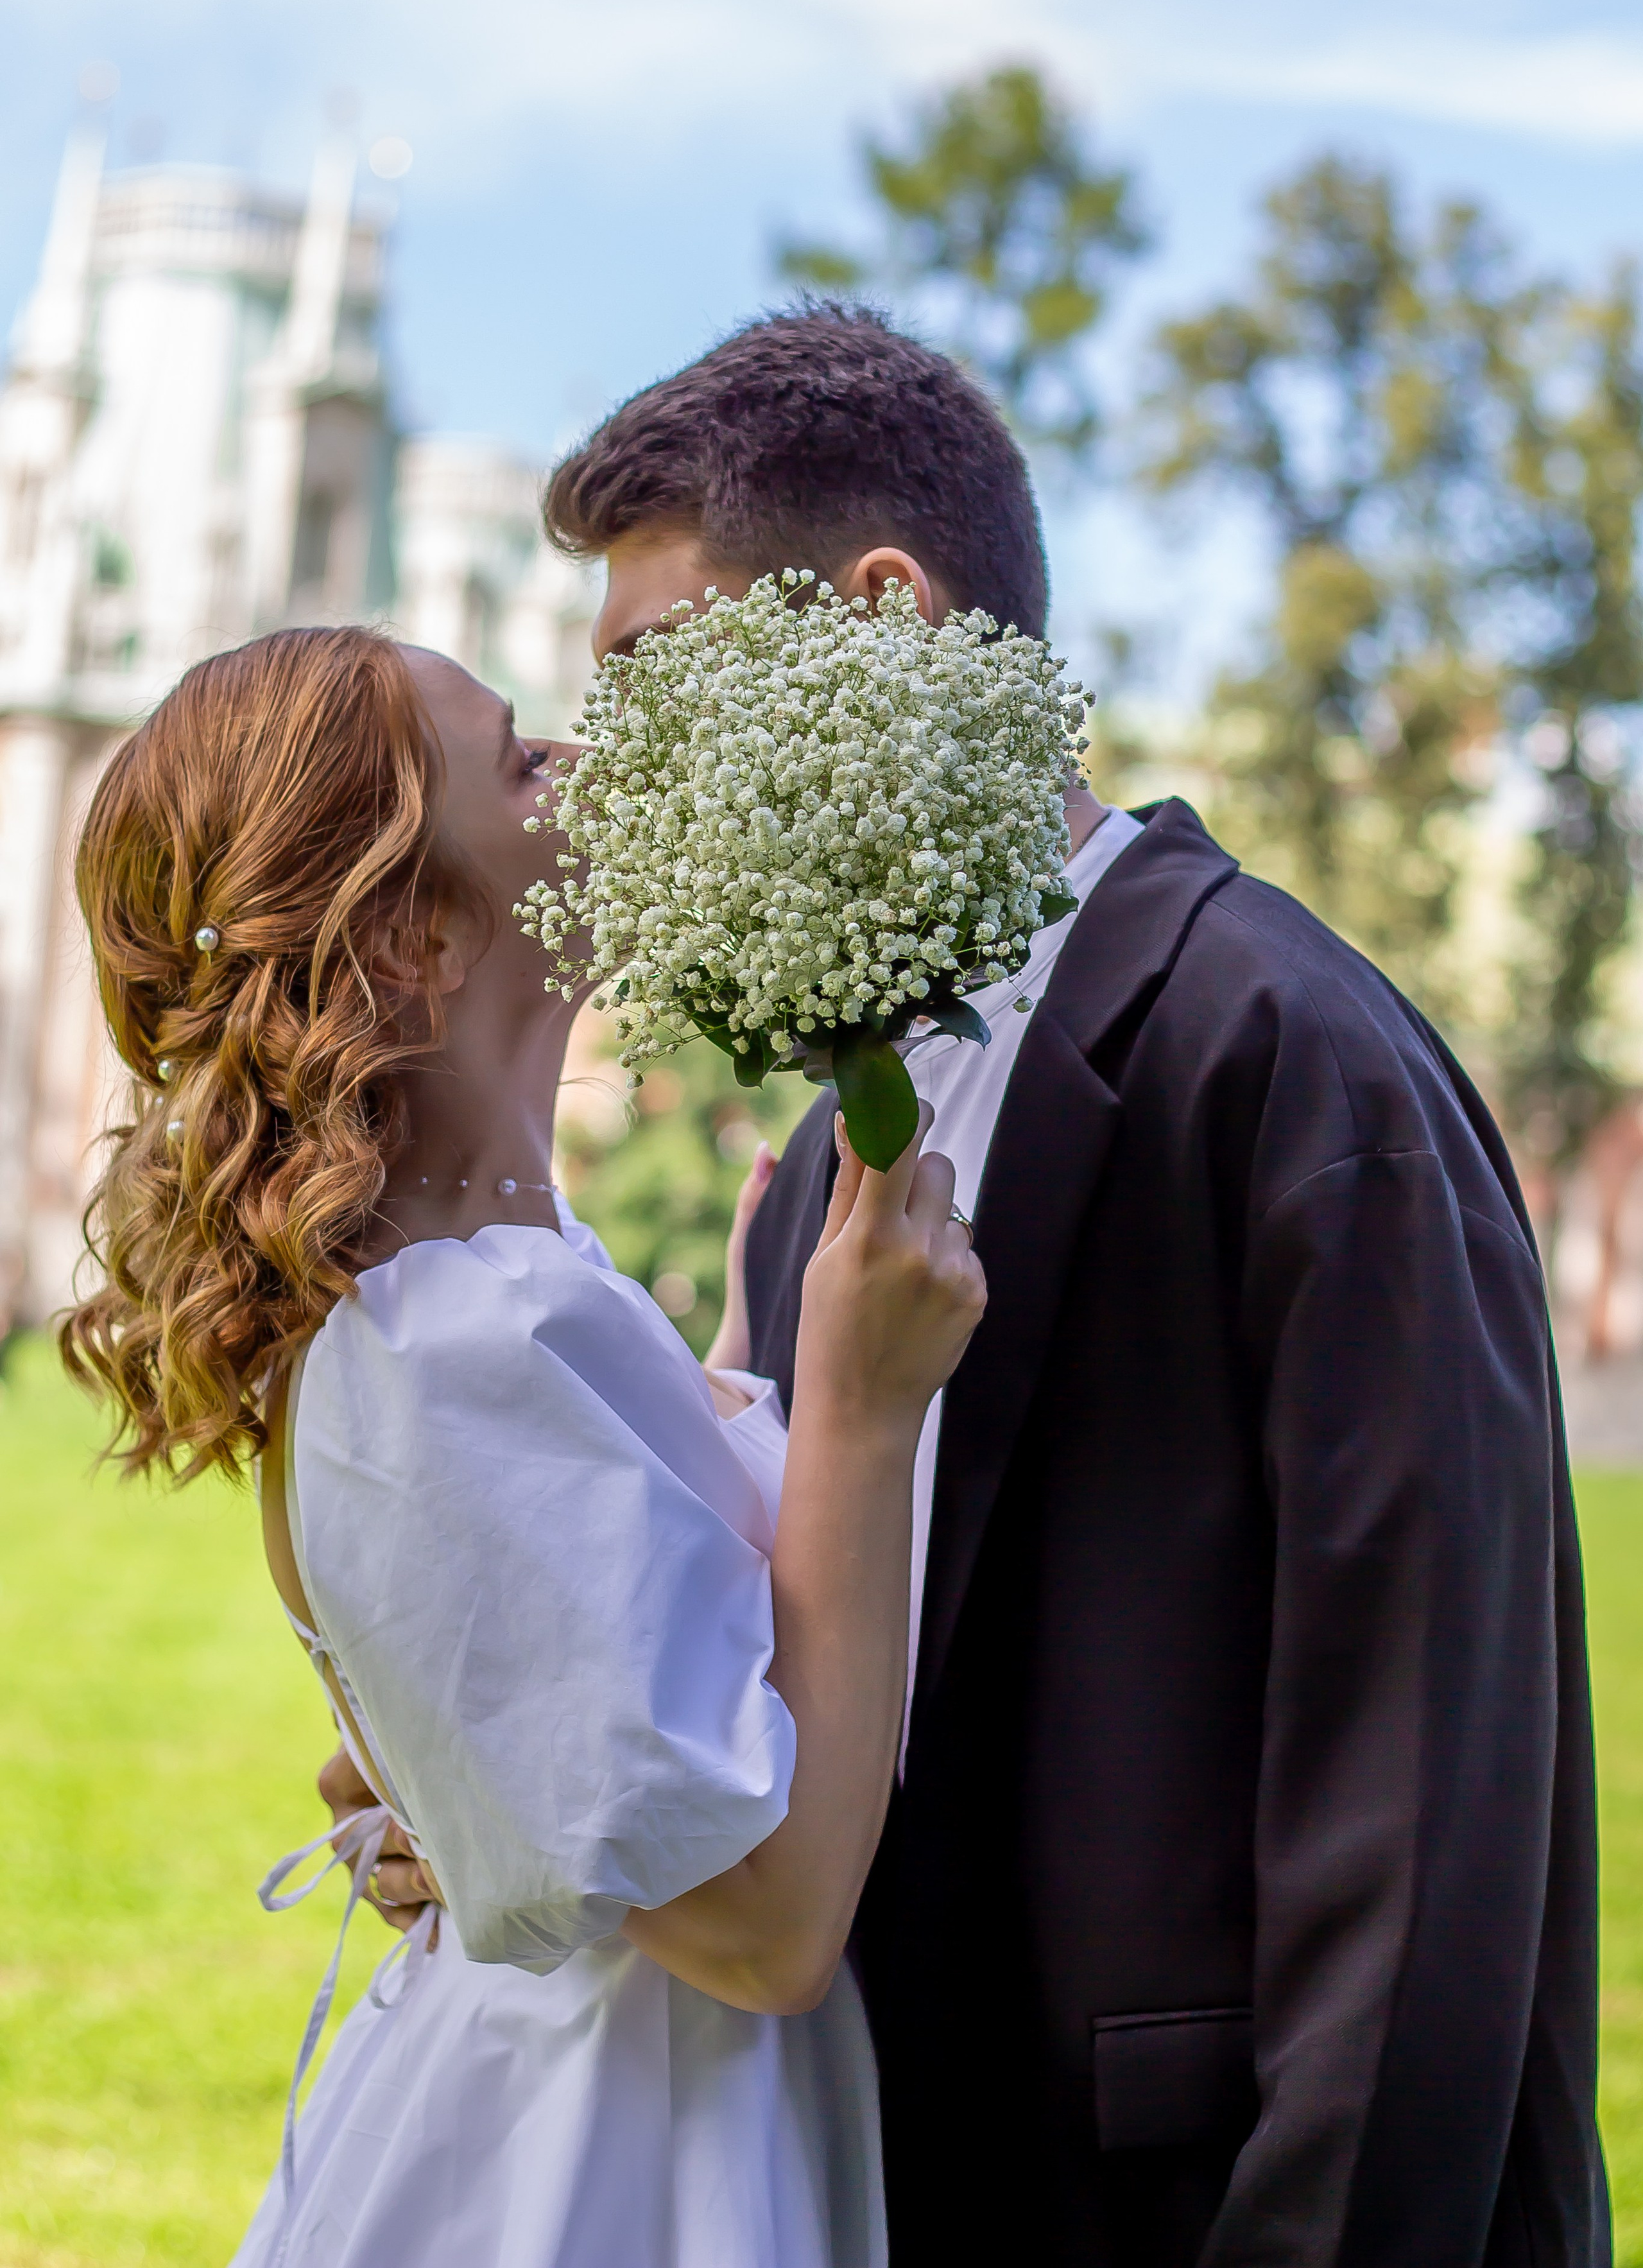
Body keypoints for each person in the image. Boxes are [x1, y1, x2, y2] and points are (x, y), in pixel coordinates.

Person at [386, 301, 1600, 2267]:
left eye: (661, 676)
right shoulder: (810, 1189)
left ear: (885, 618)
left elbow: (1432, 1841)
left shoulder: (1289, 1054)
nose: (618, 779)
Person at [64, 621, 985, 2268]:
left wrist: (723, 1390)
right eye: (515, 759)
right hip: (593, 2170)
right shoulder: (433, 1351)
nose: (576, 761)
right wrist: (854, 1403)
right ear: (419, 935)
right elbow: (763, 1925)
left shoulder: (509, 1292)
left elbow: (604, 1635)